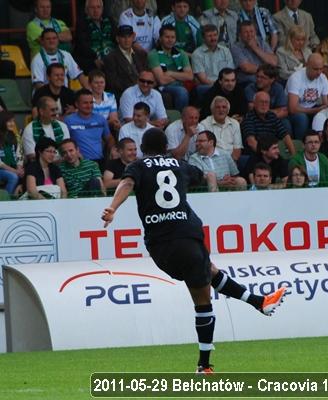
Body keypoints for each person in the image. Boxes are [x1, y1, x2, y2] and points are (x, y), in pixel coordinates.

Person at [101, 127, 288, 373]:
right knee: (202, 300)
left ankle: (259, 302)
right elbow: (199, 174)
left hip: (158, 245)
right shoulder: (177, 164)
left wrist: (113, 207)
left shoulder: (138, 165)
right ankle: (204, 365)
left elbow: (126, 183)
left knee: (207, 270)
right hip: (186, 234)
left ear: (144, 148)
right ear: (166, 146)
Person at [65, 89, 114, 170]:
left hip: (99, 162)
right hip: (78, 163)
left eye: (91, 102)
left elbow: (109, 138)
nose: (89, 106)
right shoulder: (68, 121)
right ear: (77, 104)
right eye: (85, 103)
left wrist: (113, 150)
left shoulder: (101, 119)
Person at [148, 25, 193, 112]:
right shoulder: (153, 54)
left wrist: (170, 73)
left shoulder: (181, 53)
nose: (170, 40)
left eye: (173, 37)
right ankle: (180, 119)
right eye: (167, 37)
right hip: (164, 87)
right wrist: (181, 76)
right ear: (160, 38)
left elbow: (190, 76)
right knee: (182, 92)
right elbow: (162, 80)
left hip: (181, 84)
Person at [286, 53, 328, 140]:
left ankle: (320, 144)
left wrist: (321, 110)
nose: (319, 72)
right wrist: (315, 110)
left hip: (312, 108)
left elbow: (327, 104)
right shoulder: (296, 78)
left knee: (324, 115)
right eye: (315, 69)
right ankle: (302, 146)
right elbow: (292, 108)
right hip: (293, 113)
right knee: (302, 118)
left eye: (321, 69)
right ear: (307, 66)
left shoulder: (323, 78)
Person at [103, 24, 149, 99]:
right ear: (117, 39)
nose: (127, 40)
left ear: (133, 37)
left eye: (129, 37)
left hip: (144, 89)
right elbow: (113, 82)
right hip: (125, 93)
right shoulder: (110, 58)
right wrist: (134, 89)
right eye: (123, 37)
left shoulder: (141, 54)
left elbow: (147, 73)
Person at [191, 24, 235, 101]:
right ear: (203, 38)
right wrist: (220, 86)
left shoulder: (225, 51)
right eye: (209, 36)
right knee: (205, 89)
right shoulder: (197, 54)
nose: (213, 38)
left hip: (226, 83)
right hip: (208, 85)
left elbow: (230, 72)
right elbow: (203, 79)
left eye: (215, 35)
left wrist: (225, 84)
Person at [74, 0, 116, 74]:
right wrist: (94, 60)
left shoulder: (109, 21)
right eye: (92, 8)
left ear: (102, 9)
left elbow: (116, 39)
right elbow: (83, 46)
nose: (96, 10)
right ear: (86, 10)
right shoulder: (82, 24)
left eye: (98, 7)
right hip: (93, 60)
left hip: (112, 58)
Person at [22, 97, 70, 161]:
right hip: (40, 167)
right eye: (52, 110)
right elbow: (32, 156)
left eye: (56, 109)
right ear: (41, 111)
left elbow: (67, 148)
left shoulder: (62, 126)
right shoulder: (29, 129)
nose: (56, 113)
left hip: (63, 164)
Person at [231, 21, 278, 85]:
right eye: (246, 32)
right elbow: (247, 68)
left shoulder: (262, 43)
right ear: (240, 35)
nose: (249, 35)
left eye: (251, 31)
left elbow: (274, 62)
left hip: (267, 80)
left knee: (278, 87)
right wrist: (268, 70)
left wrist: (255, 48)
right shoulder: (236, 47)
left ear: (255, 32)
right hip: (249, 82)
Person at [199, 96, 243, 161]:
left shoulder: (235, 124)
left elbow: (237, 151)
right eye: (218, 107)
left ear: (228, 110)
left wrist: (228, 164)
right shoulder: (204, 124)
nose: (221, 110)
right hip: (212, 161)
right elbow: (205, 149)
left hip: (231, 162)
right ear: (212, 110)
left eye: (224, 107)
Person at [89, 69, 121, 135]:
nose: (99, 85)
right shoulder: (86, 98)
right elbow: (89, 121)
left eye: (102, 82)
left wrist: (114, 123)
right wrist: (107, 122)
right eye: (96, 83)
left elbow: (114, 119)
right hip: (91, 130)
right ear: (90, 84)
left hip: (107, 129)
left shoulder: (111, 96)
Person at [0, 111, 23, 195]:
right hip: (2, 169)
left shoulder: (16, 136)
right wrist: (15, 171)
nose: (12, 124)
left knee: (30, 173)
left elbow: (19, 155)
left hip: (12, 168)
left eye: (13, 121)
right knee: (13, 177)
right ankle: (6, 200)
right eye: (9, 121)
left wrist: (19, 167)